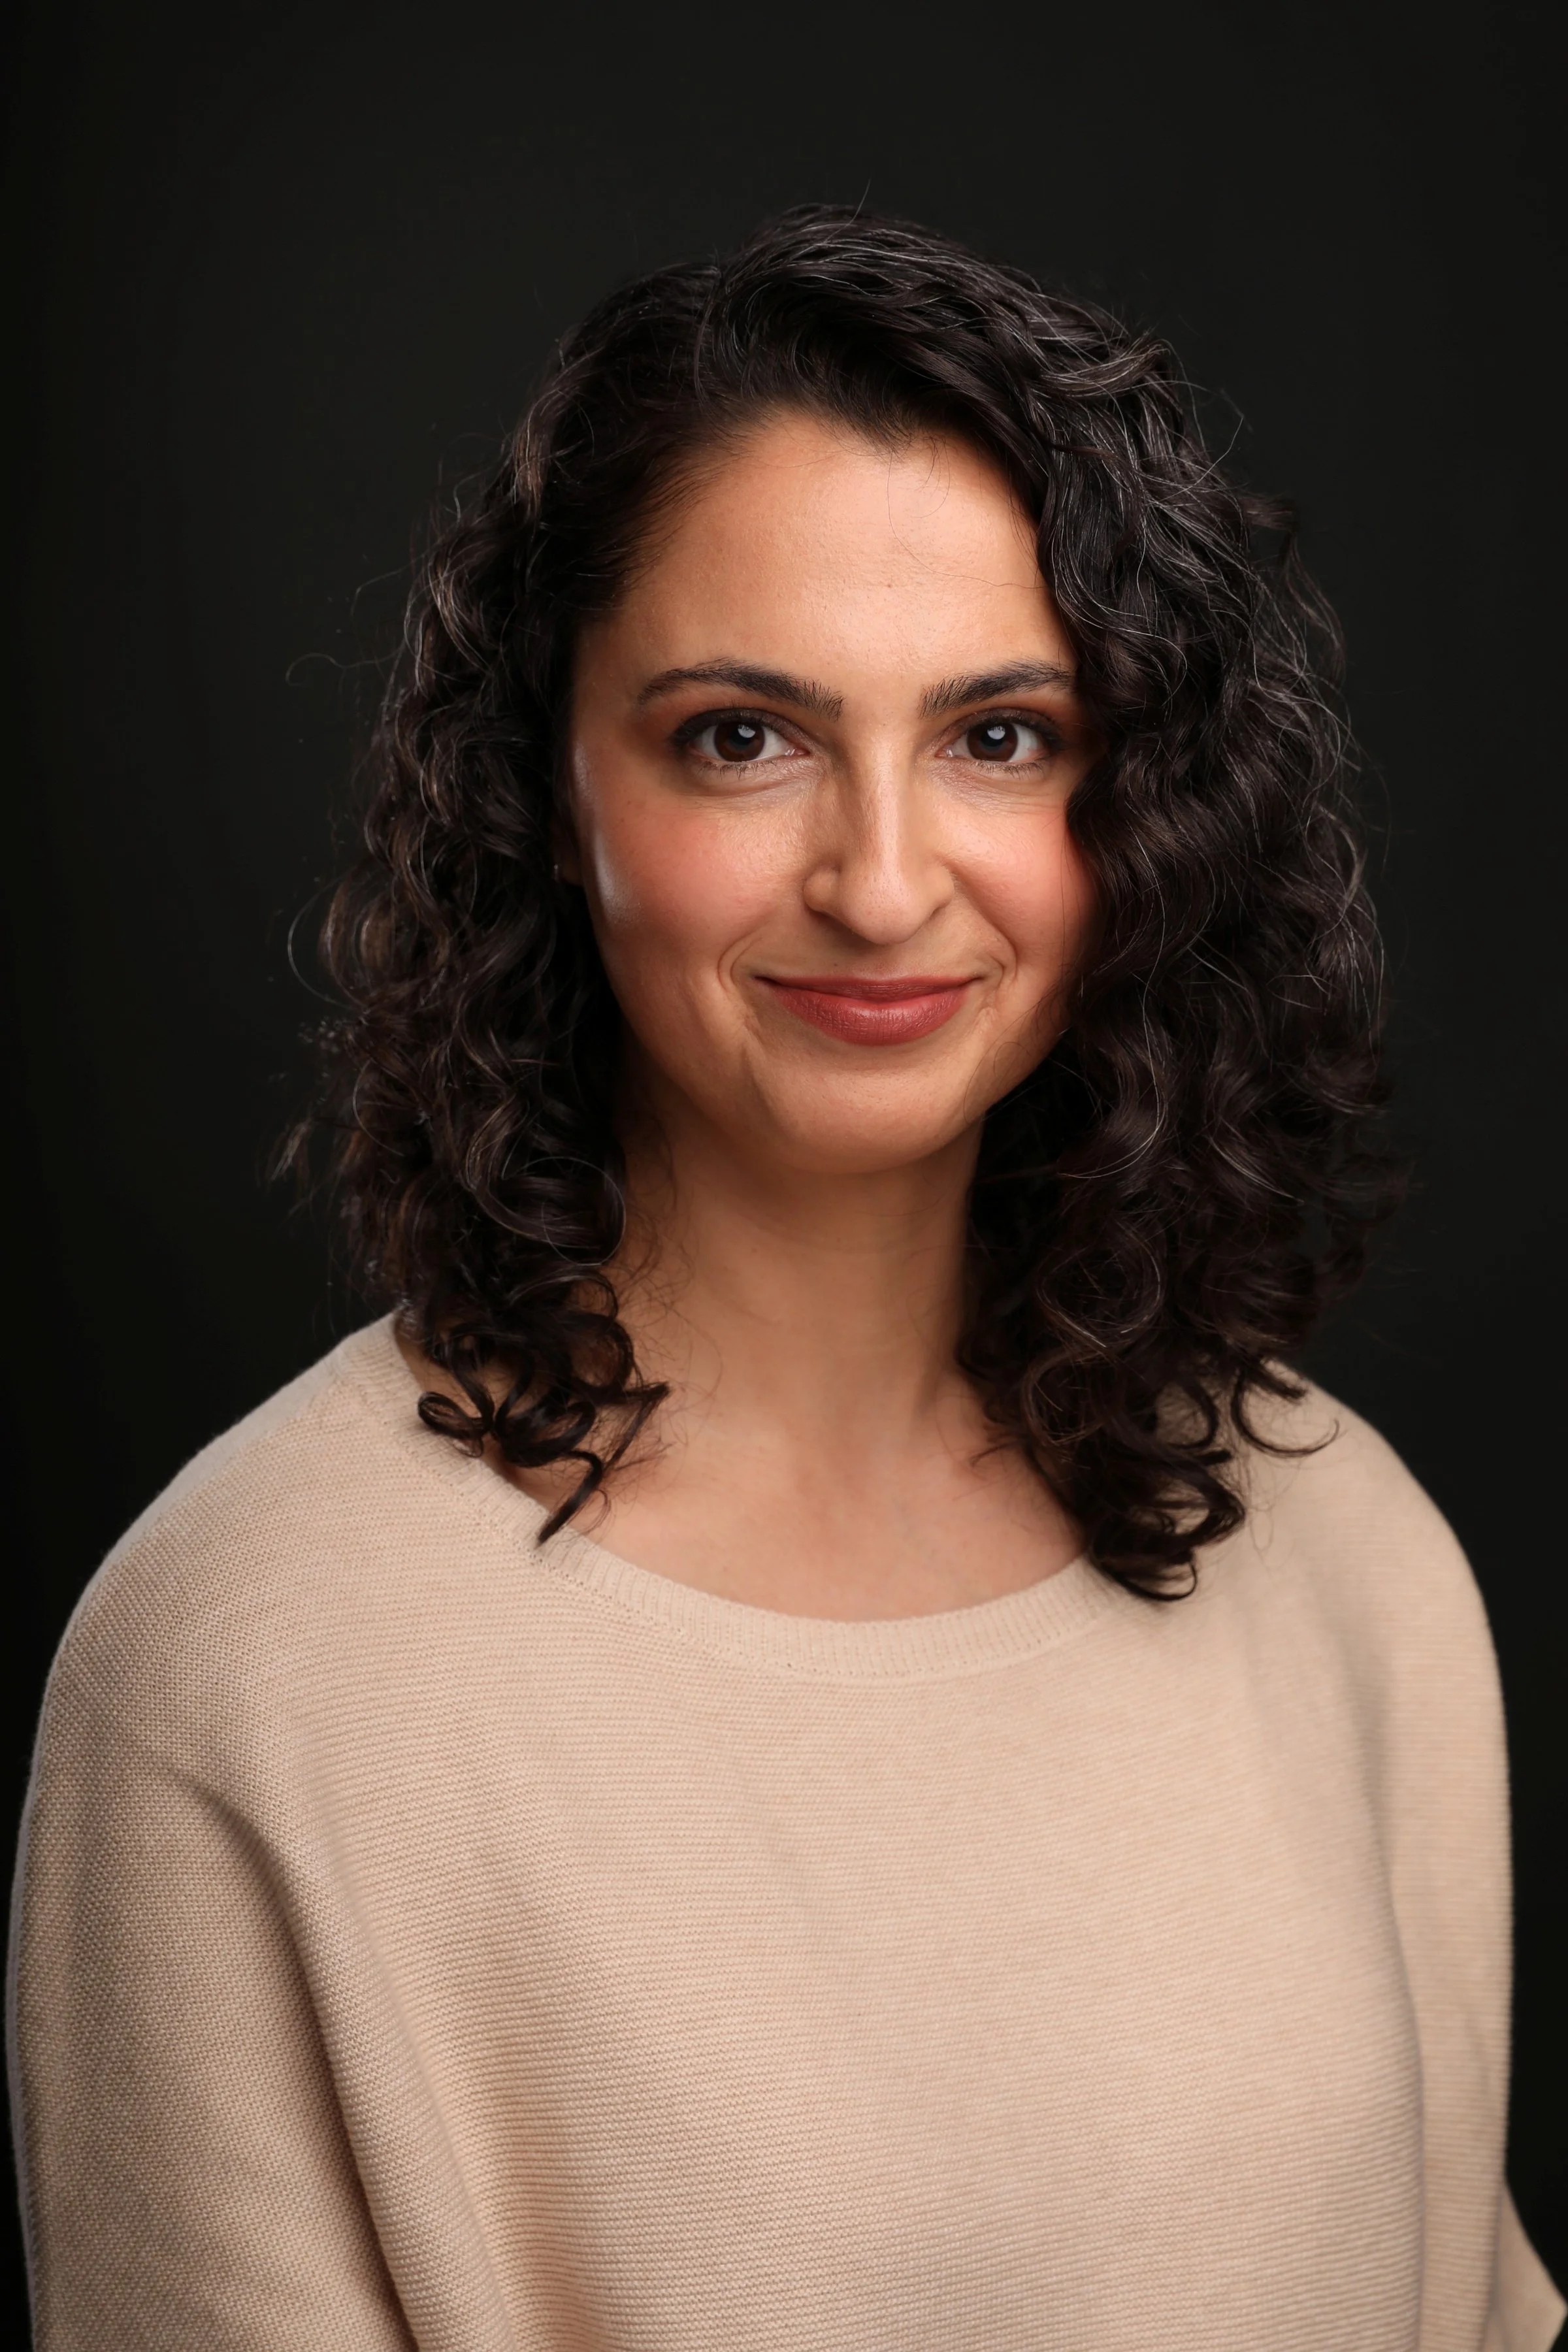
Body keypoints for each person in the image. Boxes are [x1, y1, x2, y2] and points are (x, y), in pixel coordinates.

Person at [8, 206, 1561, 2352]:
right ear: (554, 790)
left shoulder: (1349, 1553)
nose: (885, 879)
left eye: (1002, 735)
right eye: (745, 736)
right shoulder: (248, 1667)